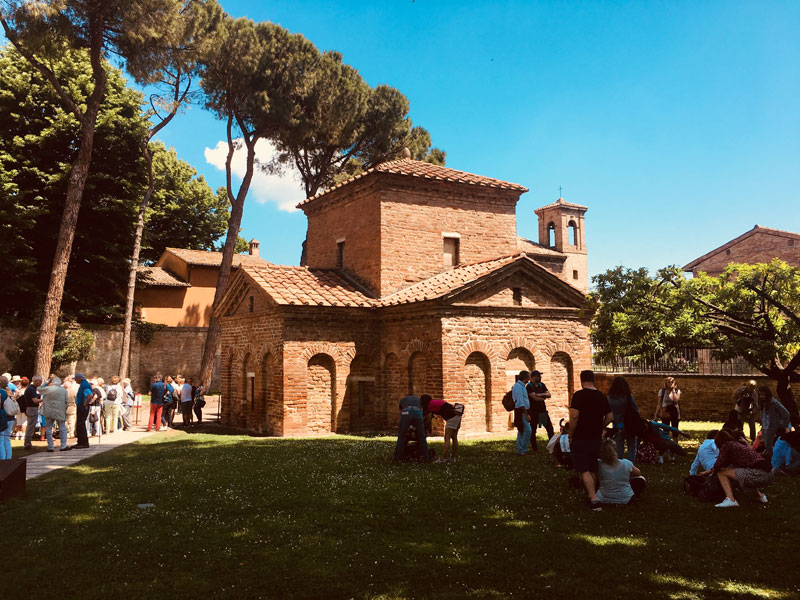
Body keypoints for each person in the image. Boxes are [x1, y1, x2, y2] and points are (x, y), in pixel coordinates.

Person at [568, 370, 613, 510]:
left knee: (584, 468)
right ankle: (593, 494)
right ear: (593, 380)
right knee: (592, 466)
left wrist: (570, 434)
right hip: (595, 436)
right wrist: (600, 426)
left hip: (581, 436)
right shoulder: (601, 396)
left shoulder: (578, 395)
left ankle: (594, 499)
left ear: (581, 380)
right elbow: (610, 416)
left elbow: (574, 416)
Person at [708, 430, 772, 507]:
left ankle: (731, 500)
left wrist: (710, 473)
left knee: (721, 473)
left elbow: (719, 464)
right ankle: (760, 496)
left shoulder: (727, 445)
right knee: (738, 475)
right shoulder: (737, 445)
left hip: (758, 474)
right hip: (769, 474)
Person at [596, 437, 646, 504]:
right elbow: (638, 473)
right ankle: (635, 496)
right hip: (625, 498)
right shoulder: (626, 463)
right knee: (641, 479)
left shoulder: (598, 464)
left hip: (602, 497)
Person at [421, 394, 464, 462]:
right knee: (454, 437)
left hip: (451, 417)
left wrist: (424, 426)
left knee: (447, 438)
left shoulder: (429, 405)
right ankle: (453, 458)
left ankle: (442, 458)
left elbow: (429, 418)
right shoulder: (434, 402)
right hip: (457, 415)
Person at [607, 375, 639, 462]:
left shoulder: (610, 398)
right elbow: (635, 408)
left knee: (619, 445)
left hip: (617, 424)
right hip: (630, 424)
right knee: (631, 445)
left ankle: (619, 462)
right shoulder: (628, 396)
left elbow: (608, 411)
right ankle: (630, 464)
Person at [393, 395, 429, 462]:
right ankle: (426, 458)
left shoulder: (402, 399)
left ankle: (398, 458)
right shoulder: (418, 400)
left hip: (406, 412)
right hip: (418, 413)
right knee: (422, 437)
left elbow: (400, 411)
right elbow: (421, 410)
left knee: (401, 436)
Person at [39, 376, 71, 452]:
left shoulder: (47, 389)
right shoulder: (63, 390)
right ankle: (63, 445)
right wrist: (64, 409)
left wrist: (46, 382)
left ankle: (50, 446)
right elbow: (66, 402)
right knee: (62, 428)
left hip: (48, 411)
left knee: (48, 428)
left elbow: (39, 389)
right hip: (59, 411)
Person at [758, 386, 789, 459]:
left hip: (771, 427)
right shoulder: (763, 403)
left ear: (767, 394)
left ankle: (776, 462)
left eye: (763, 394)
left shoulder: (774, 402)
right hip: (765, 427)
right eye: (760, 394)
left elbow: (786, 413)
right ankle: (773, 461)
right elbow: (764, 416)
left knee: (768, 445)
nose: (762, 396)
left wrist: (783, 424)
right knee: (767, 445)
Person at [526, 370, 553, 453]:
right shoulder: (529, 386)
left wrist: (538, 394)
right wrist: (542, 396)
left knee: (550, 429)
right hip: (534, 412)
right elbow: (535, 399)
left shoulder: (542, 385)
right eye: (537, 376)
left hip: (543, 411)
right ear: (533, 377)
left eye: (540, 376)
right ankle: (535, 449)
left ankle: (552, 446)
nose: (539, 377)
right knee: (533, 430)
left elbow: (549, 395)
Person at [19, 375, 43, 449]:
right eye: (40, 381)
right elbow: (35, 400)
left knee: (30, 426)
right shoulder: (31, 389)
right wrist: (44, 399)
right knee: (30, 427)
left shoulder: (32, 388)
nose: (41, 383)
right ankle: (27, 444)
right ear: (35, 381)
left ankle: (28, 443)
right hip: (32, 408)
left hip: (30, 408)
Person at [654, 376, 681, 441]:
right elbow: (659, 403)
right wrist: (656, 414)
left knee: (675, 429)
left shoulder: (677, 391)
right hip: (665, 412)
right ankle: (667, 446)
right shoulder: (662, 391)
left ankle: (675, 446)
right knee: (665, 430)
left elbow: (676, 400)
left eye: (672, 382)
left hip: (674, 412)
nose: (670, 383)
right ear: (666, 383)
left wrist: (673, 390)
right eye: (669, 382)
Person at [513, 371, 532, 456]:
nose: (529, 378)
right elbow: (520, 402)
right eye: (528, 376)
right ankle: (523, 450)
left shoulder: (521, 386)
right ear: (525, 377)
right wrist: (526, 413)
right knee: (528, 430)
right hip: (521, 411)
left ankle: (520, 449)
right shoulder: (518, 387)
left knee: (521, 430)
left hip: (522, 410)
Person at [73, 373, 93, 448]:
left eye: (75, 379)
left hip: (82, 407)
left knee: (81, 424)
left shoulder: (85, 385)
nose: (75, 380)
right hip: (81, 406)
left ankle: (84, 443)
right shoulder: (84, 384)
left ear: (80, 378)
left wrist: (85, 403)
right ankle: (80, 441)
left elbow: (90, 395)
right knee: (79, 424)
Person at [0, 376, 16, 460]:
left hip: (3, 417)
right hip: (11, 417)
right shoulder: (9, 393)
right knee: (7, 439)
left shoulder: (1, 393)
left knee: (1, 440)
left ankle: (2, 459)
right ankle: (8, 458)